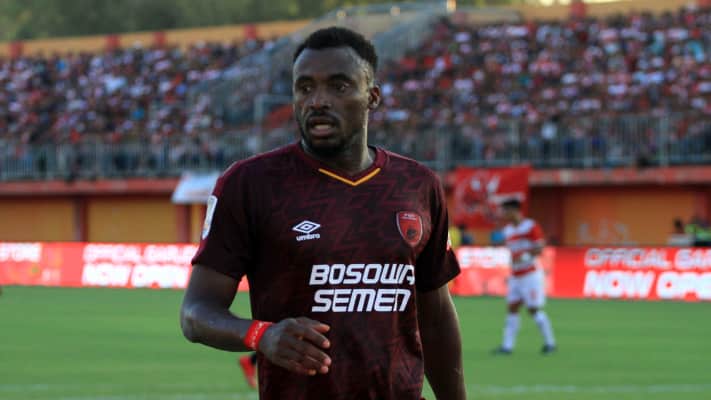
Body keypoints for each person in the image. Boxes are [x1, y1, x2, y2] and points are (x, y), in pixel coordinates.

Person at [180, 27, 466, 400]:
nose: (317, 101)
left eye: (338, 86)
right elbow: (196, 312)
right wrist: (261, 334)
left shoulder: (417, 184)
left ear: (372, 97)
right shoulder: (250, 184)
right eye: (305, 87)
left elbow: (436, 319)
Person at [493, 198, 557, 355]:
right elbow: (512, 251)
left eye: (505, 211)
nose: (503, 214)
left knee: (533, 309)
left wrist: (525, 256)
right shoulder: (508, 230)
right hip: (516, 276)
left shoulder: (530, 226)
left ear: (514, 210)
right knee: (512, 308)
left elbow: (539, 247)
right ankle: (507, 346)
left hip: (530, 275)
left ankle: (550, 343)